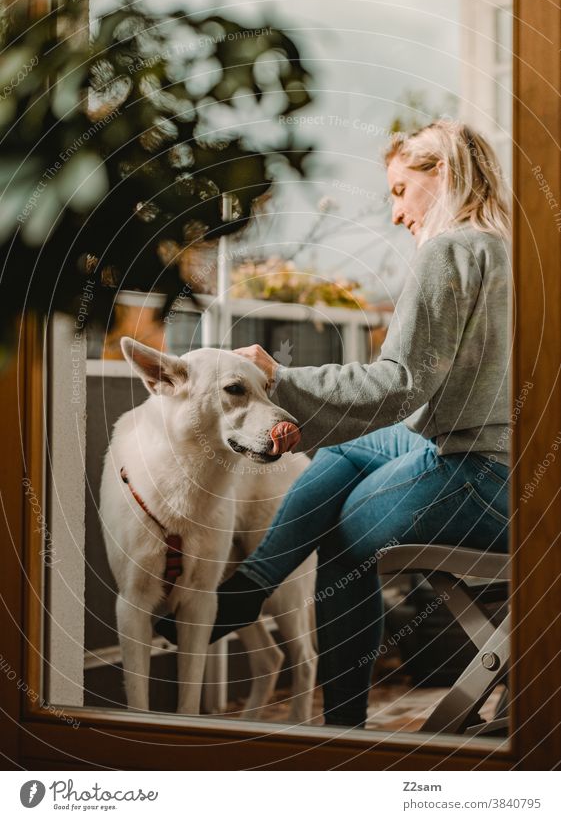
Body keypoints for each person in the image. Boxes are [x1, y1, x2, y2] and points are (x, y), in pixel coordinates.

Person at [160, 119, 513, 728]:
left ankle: (343, 731)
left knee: (348, 532)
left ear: (445, 176)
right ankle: (249, 589)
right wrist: (308, 410)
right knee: (348, 452)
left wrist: (282, 379)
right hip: (522, 468)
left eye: (401, 191)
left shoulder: (449, 252)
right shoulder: (517, 252)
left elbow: (400, 383)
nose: (397, 214)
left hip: (484, 474)